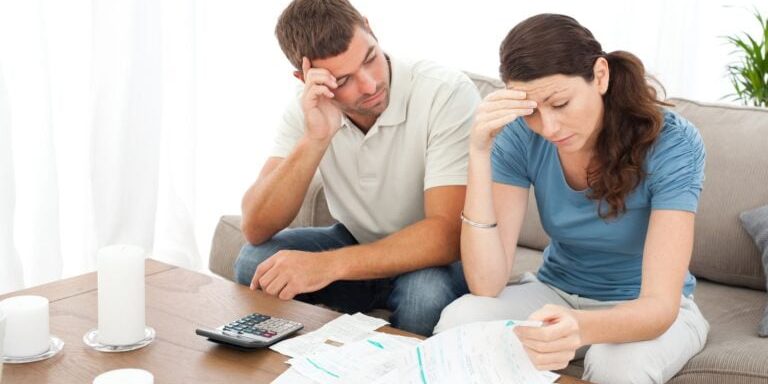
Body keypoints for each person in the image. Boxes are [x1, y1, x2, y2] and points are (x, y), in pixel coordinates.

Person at [435, 13, 709, 383]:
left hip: (645, 308)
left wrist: (579, 327)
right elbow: (486, 283)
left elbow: (660, 306)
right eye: (532, 111)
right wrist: (479, 152)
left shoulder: (672, 142)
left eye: (560, 104)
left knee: (617, 366)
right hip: (555, 292)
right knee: (461, 319)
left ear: (599, 75)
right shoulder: (519, 136)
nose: (548, 128)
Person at [234, 0, 480, 336]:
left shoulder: (445, 93)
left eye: (370, 58)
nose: (369, 85)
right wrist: (315, 138)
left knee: (423, 297)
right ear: (305, 78)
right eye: (343, 79)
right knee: (255, 262)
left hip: (434, 260)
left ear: (369, 27)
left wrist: (327, 266)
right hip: (355, 241)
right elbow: (255, 226)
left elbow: (447, 235)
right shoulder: (308, 110)